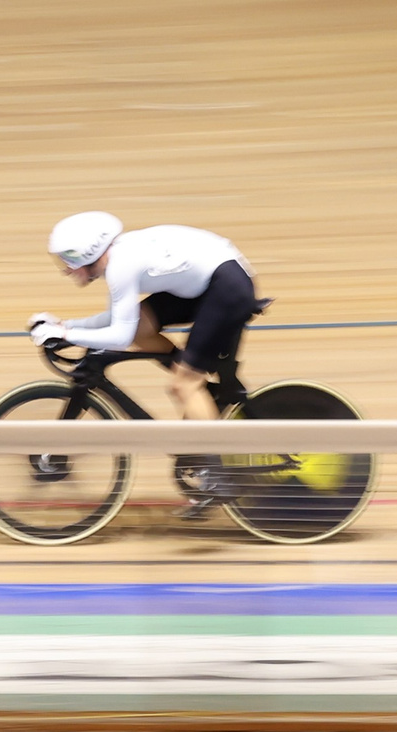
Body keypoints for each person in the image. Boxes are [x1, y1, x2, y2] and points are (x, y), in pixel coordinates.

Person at [29, 212, 264, 515]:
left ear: (89, 253)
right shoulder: (118, 259)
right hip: (213, 280)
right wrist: (66, 326)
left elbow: (118, 336)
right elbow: (123, 322)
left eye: (68, 260)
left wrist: (66, 333)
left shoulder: (120, 266)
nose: (66, 269)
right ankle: (196, 381)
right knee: (144, 329)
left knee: (182, 386)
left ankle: (216, 477)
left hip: (226, 287)